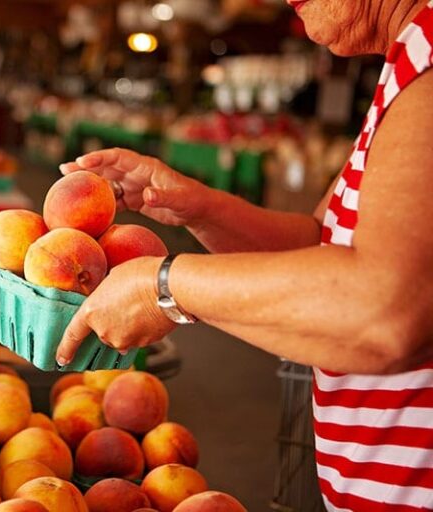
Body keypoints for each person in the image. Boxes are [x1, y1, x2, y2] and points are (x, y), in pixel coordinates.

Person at [55, 1, 433, 510]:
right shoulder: (409, 63)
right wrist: (200, 208)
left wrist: (164, 287)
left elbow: (387, 310)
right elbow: (318, 248)